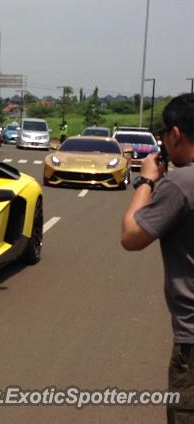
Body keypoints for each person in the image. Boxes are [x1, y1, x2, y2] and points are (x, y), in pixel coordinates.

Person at [121, 93, 194, 423]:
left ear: (176, 135)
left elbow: (132, 236)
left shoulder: (181, 184)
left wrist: (148, 180)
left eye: (164, 134)